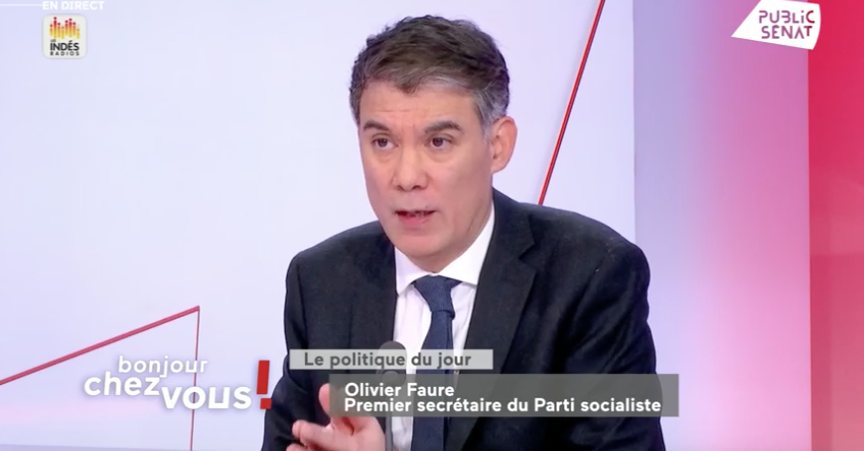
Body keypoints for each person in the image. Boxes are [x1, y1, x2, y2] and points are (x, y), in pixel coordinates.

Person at [262, 15, 665, 451]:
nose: (407, 177)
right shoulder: (321, 282)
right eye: (383, 143)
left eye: (438, 142)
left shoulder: (590, 277)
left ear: (498, 145)